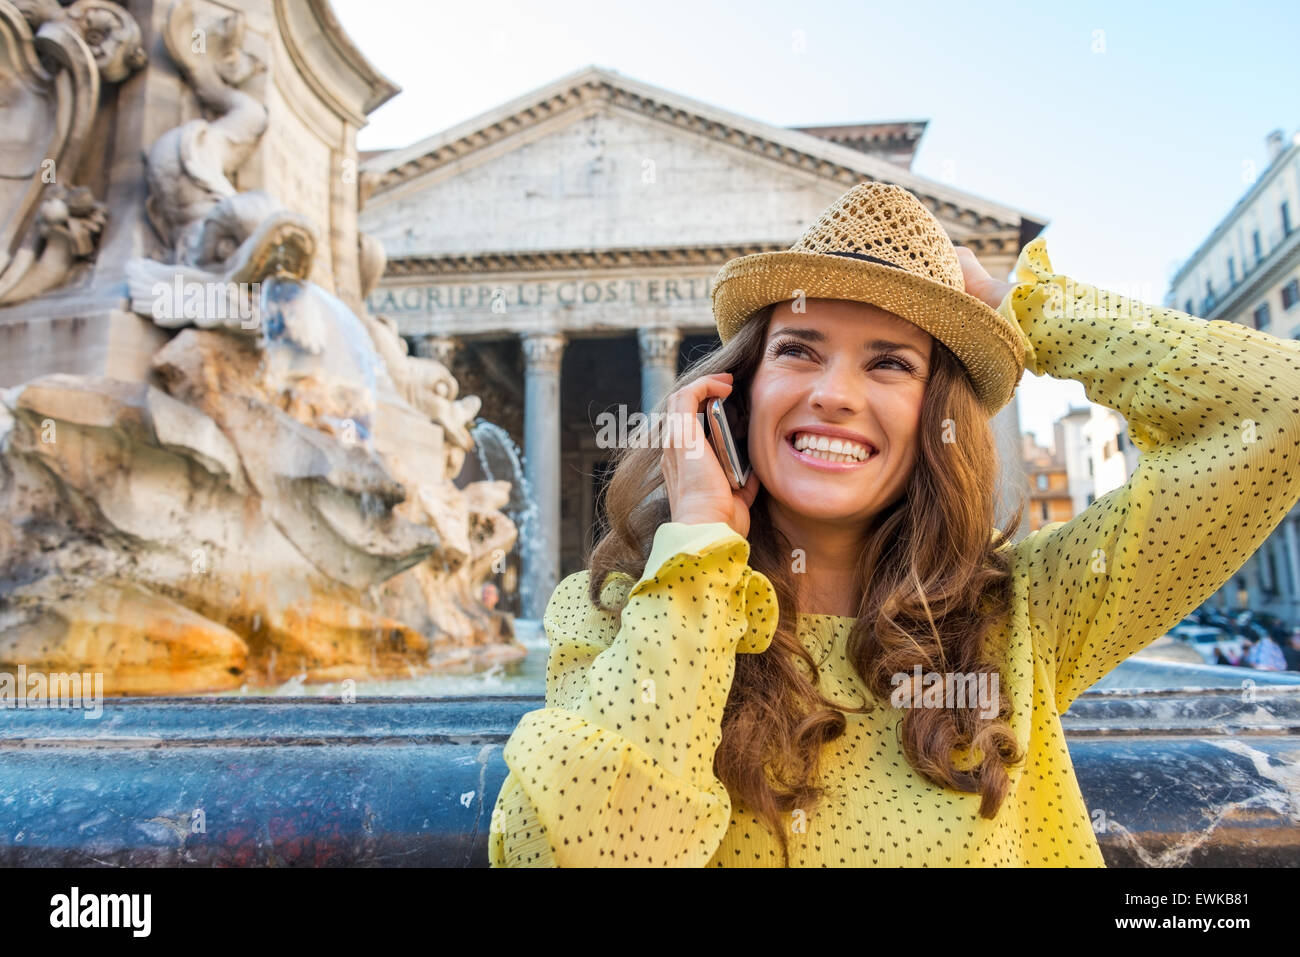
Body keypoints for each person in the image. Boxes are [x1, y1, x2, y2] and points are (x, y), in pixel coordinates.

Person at [488, 182, 1300, 867]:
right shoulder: (621, 614)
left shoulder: (1029, 615)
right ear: (737, 390)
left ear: (935, 419)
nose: (835, 393)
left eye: (890, 362)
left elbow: (1278, 412)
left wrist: (1023, 309)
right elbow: (569, 851)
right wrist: (700, 555)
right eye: (799, 350)